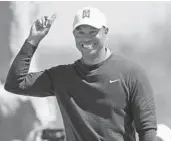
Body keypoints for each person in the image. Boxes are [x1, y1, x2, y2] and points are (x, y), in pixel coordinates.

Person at [4, 6, 157, 141]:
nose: (86, 38)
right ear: (74, 35)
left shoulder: (131, 73)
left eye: (93, 32)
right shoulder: (62, 77)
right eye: (80, 32)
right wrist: (32, 40)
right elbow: (15, 83)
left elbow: (147, 129)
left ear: (106, 32)